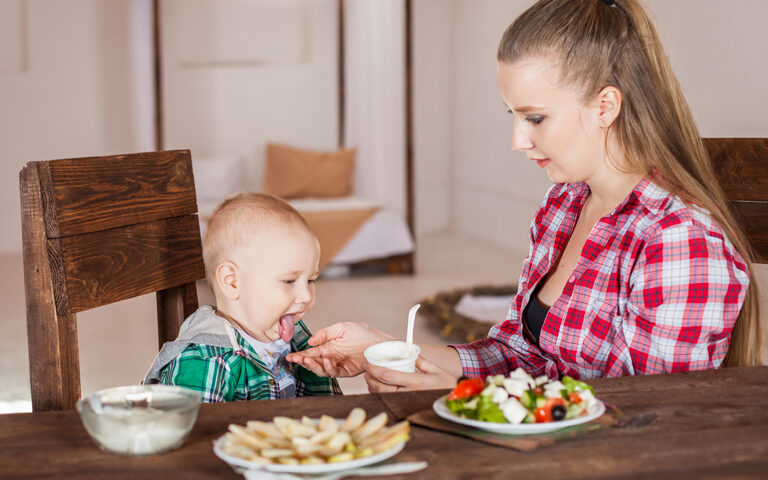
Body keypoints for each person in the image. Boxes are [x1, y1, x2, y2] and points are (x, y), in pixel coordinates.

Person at [287, 0, 762, 392]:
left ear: (606, 106)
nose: (518, 140)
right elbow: (519, 354)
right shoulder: (564, 205)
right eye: (513, 115)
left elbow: (642, 415)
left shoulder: (678, 239)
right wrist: (391, 351)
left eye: (535, 118)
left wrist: (469, 395)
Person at [145, 192, 341, 401]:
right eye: (289, 281)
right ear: (232, 282)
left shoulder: (295, 336)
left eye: (311, 280)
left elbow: (325, 405)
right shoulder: (207, 361)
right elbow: (194, 431)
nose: (305, 296)